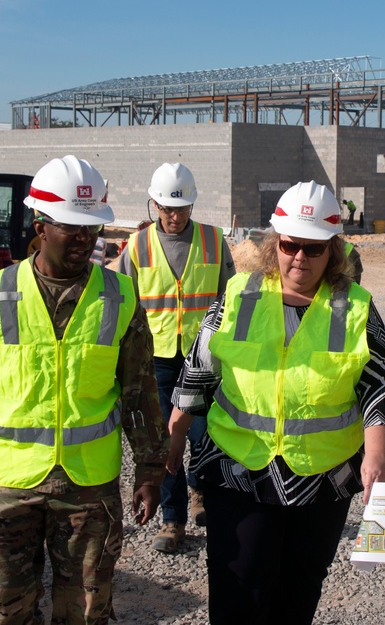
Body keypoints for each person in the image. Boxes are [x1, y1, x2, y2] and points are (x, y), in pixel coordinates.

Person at [0, 155, 168, 625]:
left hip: (89, 488)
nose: (85, 239)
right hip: (8, 487)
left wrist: (151, 471)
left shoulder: (119, 297)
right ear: (40, 225)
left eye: (92, 228)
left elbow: (140, 395)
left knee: (87, 612)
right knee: (2, 611)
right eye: (72, 227)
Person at [166, 180, 385, 625]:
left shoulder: (355, 307)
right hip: (238, 467)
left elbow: (378, 389)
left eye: (314, 249)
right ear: (275, 243)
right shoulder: (239, 294)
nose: (301, 258)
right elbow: (200, 369)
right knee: (238, 585)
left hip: (323, 477)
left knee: (298, 589)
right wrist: (176, 433)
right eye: (292, 245)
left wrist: (377, 458)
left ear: (332, 251)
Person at [119, 162, 236, 553]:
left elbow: (231, 300)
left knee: (206, 433)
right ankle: (173, 519)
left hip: (204, 358)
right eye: (166, 208)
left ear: (192, 205)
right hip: (157, 358)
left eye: (181, 208)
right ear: (154, 205)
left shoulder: (214, 241)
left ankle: (200, 489)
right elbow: (121, 303)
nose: (174, 216)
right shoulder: (136, 246)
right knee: (165, 439)